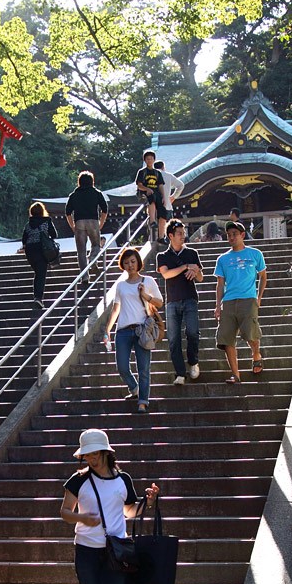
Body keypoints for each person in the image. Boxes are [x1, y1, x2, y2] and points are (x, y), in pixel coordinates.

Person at [60, 428, 159, 584]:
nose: (91, 459)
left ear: (106, 452)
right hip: (86, 549)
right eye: (87, 455)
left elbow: (129, 512)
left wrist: (147, 503)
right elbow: (64, 512)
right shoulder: (78, 480)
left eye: (95, 454)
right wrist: (82, 517)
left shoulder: (123, 479)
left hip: (116, 551)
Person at [104, 248, 163, 413]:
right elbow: (116, 308)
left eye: (133, 261)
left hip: (141, 329)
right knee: (122, 366)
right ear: (122, 264)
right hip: (122, 330)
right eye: (126, 262)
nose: (130, 265)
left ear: (138, 262)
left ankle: (143, 401)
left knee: (143, 368)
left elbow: (159, 303)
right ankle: (134, 388)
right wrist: (108, 329)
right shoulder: (121, 285)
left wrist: (146, 296)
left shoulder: (148, 281)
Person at [214, 220, 267, 383]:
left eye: (234, 234)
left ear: (242, 235)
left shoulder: (255, 254)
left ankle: (256, 354)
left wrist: (258, 297)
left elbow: (263, 276)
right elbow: (220, 283)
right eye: (229, 235)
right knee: (226, 338)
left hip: (248, 298)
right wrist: (217, 305)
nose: (231, 237)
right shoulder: (222, 259)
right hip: (229, 301)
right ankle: (235, 374)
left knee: (251, 332)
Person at [157, 220, 203, 385]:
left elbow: (200, 277)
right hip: (172, 301)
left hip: (190, 298)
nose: (183, 236)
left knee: (192, 332)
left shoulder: (192, 253)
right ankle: (180, 373)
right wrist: (185, 267)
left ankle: (193, 361)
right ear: (171, 236)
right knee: (173, 338)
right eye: (180, 234)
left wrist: (195, 270)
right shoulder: (162, 256)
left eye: (184, 233)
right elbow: (166, 274)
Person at [66, 171, 108, 283]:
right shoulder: (96, 193)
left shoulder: (74, 195)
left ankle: (84, 276)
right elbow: (104, 208)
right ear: (92, 181)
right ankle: (93, 260)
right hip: (93, 222)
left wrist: (72, 226)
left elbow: (68, 212)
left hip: (79, 222)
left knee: (81, 251)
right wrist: (101, 223)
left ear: (79, 181)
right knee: (96, 245)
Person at [18, 202, 58, 309]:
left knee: (38, 273)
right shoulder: (47, 221)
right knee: (41, 275)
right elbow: (54, 234)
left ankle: (37, 296)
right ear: (42, 211)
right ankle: (38, 298)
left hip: (30, 252)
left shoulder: (28, 225)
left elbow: (24, 240)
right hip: (42, 250)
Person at [135, 150, 166, 242]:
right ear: (145, 160)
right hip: (144, 193)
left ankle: (161, 237)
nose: (149, 160)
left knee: (163, 212)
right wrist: (147, 189)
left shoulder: (157, 173)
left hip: (156, 193)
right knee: (151, 198)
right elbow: (139, 185)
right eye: (147, 159)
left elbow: (160, 185)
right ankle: (152, 221)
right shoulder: (142, 172)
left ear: (154, 160)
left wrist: (164, 196)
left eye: (151, 159)